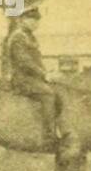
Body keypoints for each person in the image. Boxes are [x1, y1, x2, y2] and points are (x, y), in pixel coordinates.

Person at [6, 8, 58, 140]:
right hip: (23, 79)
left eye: (37, 21)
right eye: (32, 20)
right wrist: (43, 74)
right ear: (22, 20)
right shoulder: (18, 37)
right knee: (48, 94)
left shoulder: (29, 36)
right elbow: (24, 61)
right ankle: (49, 135)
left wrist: (47, 73)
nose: (36, 24)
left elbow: (36, 60)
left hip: (32, 78)